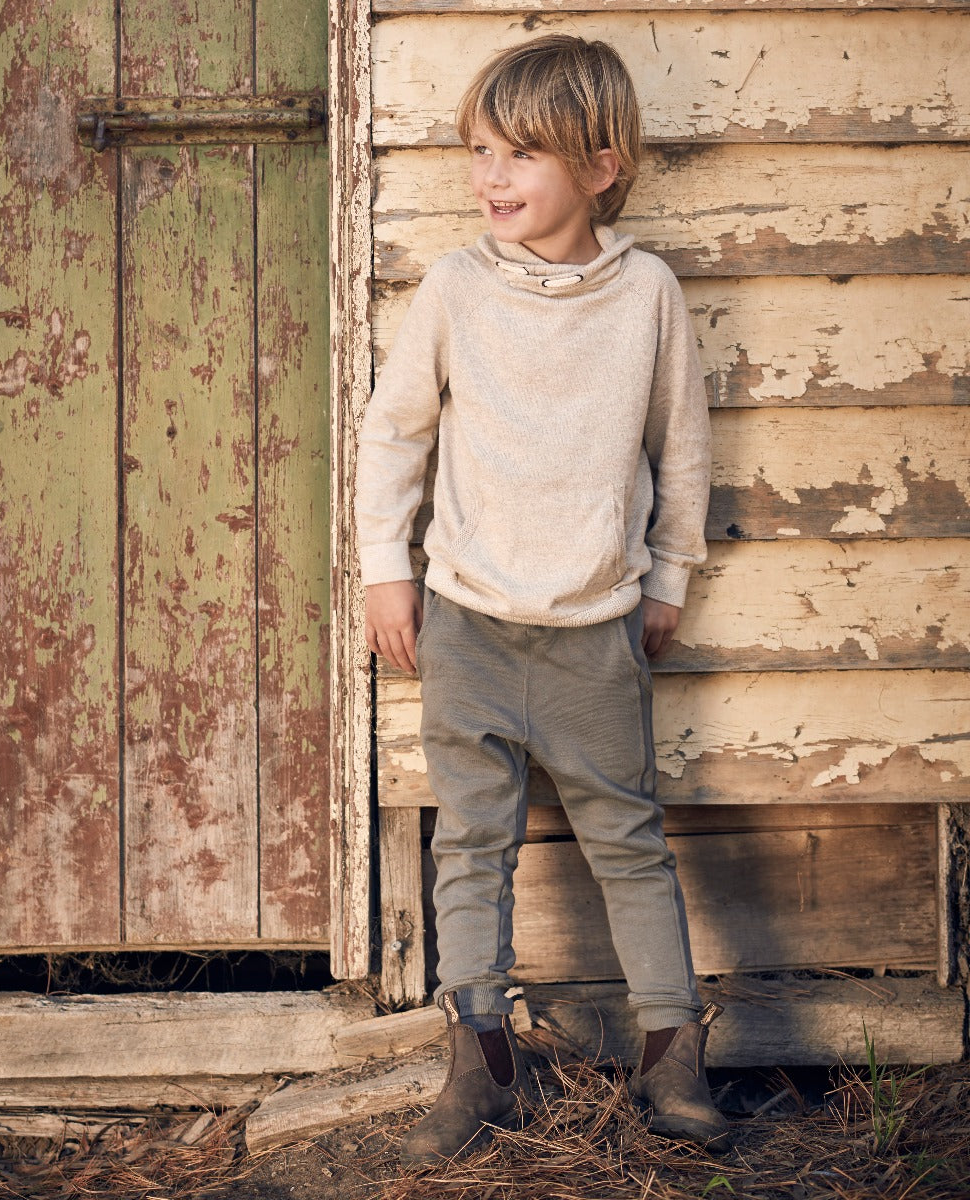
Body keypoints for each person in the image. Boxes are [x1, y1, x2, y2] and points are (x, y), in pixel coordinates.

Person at [354, 34, 730, 1164]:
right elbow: (397, 431)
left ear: (602, 165)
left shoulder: (647, 293)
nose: (492, 176)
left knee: (627, 836)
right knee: (473, 841)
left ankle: (673, 1054)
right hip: (466, 619)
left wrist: (668, 575)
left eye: (522, 154)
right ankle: (481, 1059)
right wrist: (386, 564)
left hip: (595, 630)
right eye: (480, 150)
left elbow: (684, 445)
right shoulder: (458, 287)